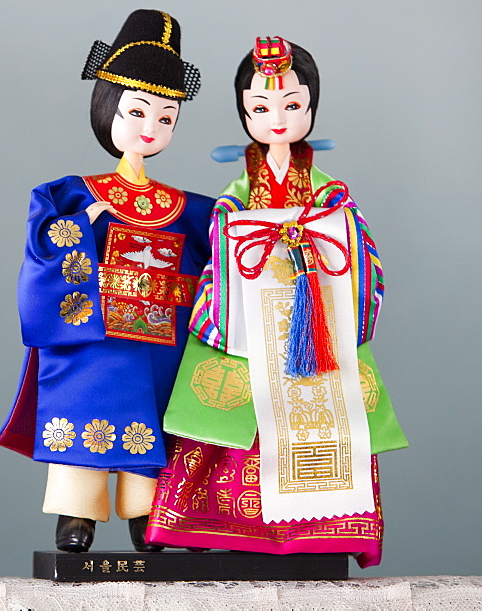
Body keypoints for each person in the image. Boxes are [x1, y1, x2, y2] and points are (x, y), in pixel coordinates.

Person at [145, 38, 407, 567]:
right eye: (261, 108)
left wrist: (326, 228)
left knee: (320, 413)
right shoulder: (236, 197)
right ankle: (209, 522)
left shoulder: (330, 193)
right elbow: (223, 236)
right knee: (232, 408)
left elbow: (359, 249)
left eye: (292, 104)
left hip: (314, 317)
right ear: (245, 114)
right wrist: (248, 231)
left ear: (311, 108)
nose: (278, 118)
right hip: (249, 310)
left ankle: (326, 529)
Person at [0, 10, 214, 553]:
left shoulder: (189, 209)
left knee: (154, 418)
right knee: (83, 414)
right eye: (138, 112)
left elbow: (224, 250)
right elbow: (43, 247)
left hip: (157, 341)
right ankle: (77, 514)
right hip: (91, 338)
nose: (150, 127)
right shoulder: (72, 196)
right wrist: (75, 231)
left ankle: (149, 515)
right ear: (108, 109)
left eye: (166, 118)